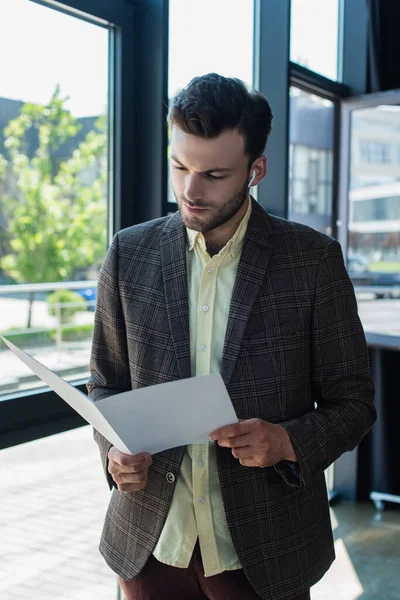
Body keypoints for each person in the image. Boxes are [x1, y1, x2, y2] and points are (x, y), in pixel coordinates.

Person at [87, 73, 376, 600]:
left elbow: (354, 401)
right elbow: (105, 383)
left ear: (255, 170)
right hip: (150, 543)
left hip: (264, 549)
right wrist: (114, 451)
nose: (190, 191)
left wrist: (287, 441)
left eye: (214, 174)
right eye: (179, 166)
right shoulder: (128, 254)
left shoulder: (311, 261)